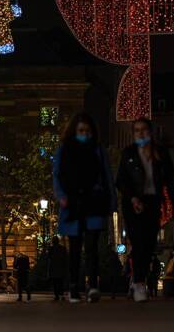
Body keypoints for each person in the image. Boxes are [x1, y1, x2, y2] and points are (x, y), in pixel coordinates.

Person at [116, 117, 174, 303]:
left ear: (150, 132)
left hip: (153, 202)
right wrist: (132, 197)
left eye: (144, 129)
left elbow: (170, 181)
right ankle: (138, 283)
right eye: (137, 130)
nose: (141, 133)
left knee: (149, 242)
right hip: (133, 203)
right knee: (137, 242)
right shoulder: (128, 153)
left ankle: (139, 280)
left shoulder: (160, 153)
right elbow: (121, 180)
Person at [53, 113, 116, 303]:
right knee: (74, 247)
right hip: (72, 202)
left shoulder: (97, 150)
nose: (85, 134)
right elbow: (57, 174)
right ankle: (73, 287)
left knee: (91, 247)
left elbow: (107, 176)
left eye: (87, 131)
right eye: (81, 130)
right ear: (74, 131)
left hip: (93, 201)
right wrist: (61, 196)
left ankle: (92, 287)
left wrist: (111, 202)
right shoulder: (65, 150)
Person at [47, 236, 67, 301]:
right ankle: (61, 295)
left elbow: (49, 257)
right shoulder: (63, 248)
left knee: (55, 283)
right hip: (60, 267)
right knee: (61, 282)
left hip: (54, 268)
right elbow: (65, 258)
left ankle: (57, 296)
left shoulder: (50, 248)